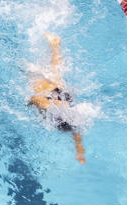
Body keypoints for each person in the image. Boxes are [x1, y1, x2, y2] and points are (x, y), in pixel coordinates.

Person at [28, 34, 86, 164]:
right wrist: (29, 104)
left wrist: (80, 153)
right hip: (51, 95)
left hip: (64, 97)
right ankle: (55, 44)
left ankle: (55, 45)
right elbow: (34, 98)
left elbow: (77, 134)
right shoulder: (47, 107)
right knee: (34, 74)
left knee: (55, 73)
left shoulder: (72, 120)